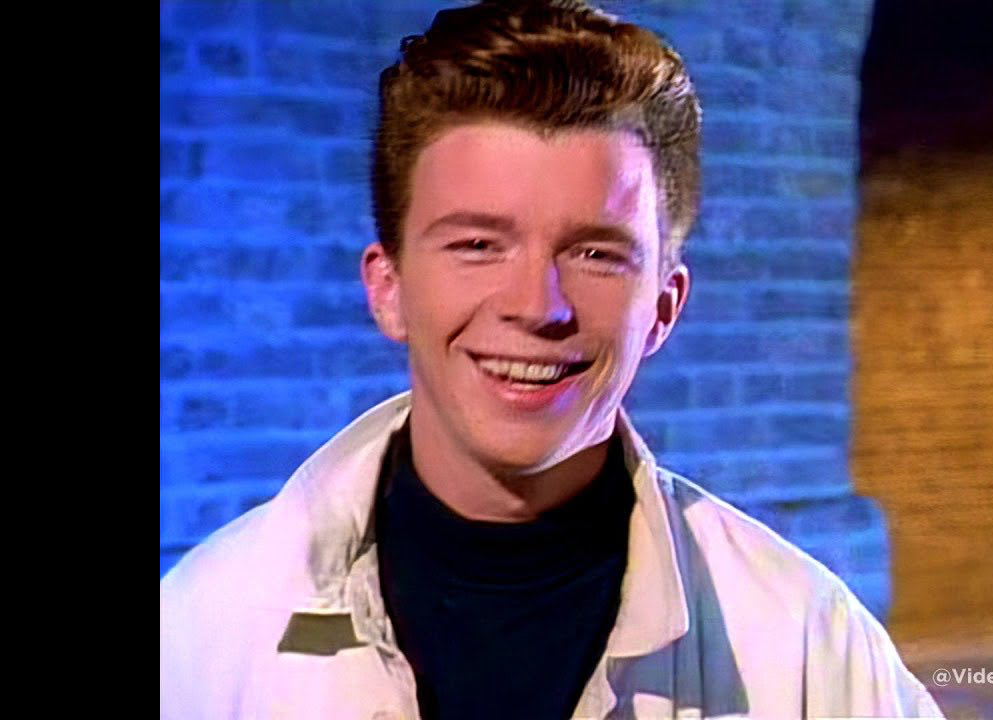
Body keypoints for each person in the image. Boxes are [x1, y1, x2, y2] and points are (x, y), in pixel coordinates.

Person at [160, 1, 944, 717]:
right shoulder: (204, 632)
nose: (538, 306)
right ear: (388, 287)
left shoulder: (807, 645)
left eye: (596, 253)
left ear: (664, 307)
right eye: (477, 245)